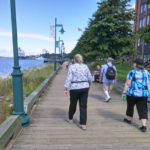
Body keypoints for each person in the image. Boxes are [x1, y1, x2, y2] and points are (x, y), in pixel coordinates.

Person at [64, 54, 92, 130]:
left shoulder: (72, 67)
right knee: (83, 106)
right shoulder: (85, 66)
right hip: (85, 87)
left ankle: (70, 118)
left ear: (74, 60)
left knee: (73, 103)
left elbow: (69, 78)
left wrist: (66, 88)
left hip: (74, 88)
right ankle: (83, 124)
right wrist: (89, 83)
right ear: (81, 59)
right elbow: (89, 77)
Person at [122, 58, 150, 132]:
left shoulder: (132, 72)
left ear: (136, 64)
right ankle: (144, 126)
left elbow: (128, 83)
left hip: (132, 94)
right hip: (143, 95)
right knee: (143, 109)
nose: (133, 64)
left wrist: (124, 92)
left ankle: (129, 119)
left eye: (134, 63)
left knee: (130, 106)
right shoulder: (146, 73)